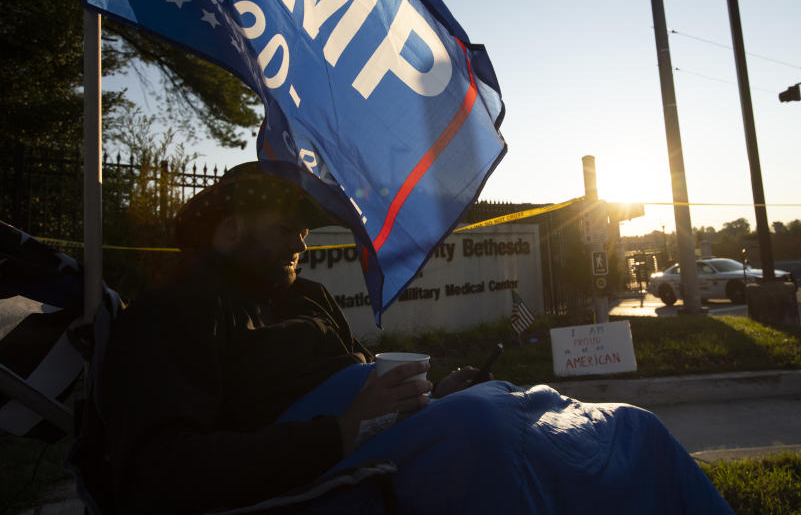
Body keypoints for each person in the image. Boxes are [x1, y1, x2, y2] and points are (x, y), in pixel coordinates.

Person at [100, 161, 733, 514]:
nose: (301, 239)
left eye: (305, 226)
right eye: (285, 225)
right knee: (496, 433)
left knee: (631, 429)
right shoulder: (175, 312)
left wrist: (421, 396)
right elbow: (161, 472)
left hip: (415, 435)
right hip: (338, 466)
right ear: (230, 232)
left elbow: (354, 374)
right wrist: (341, 431)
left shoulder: (304, 297)